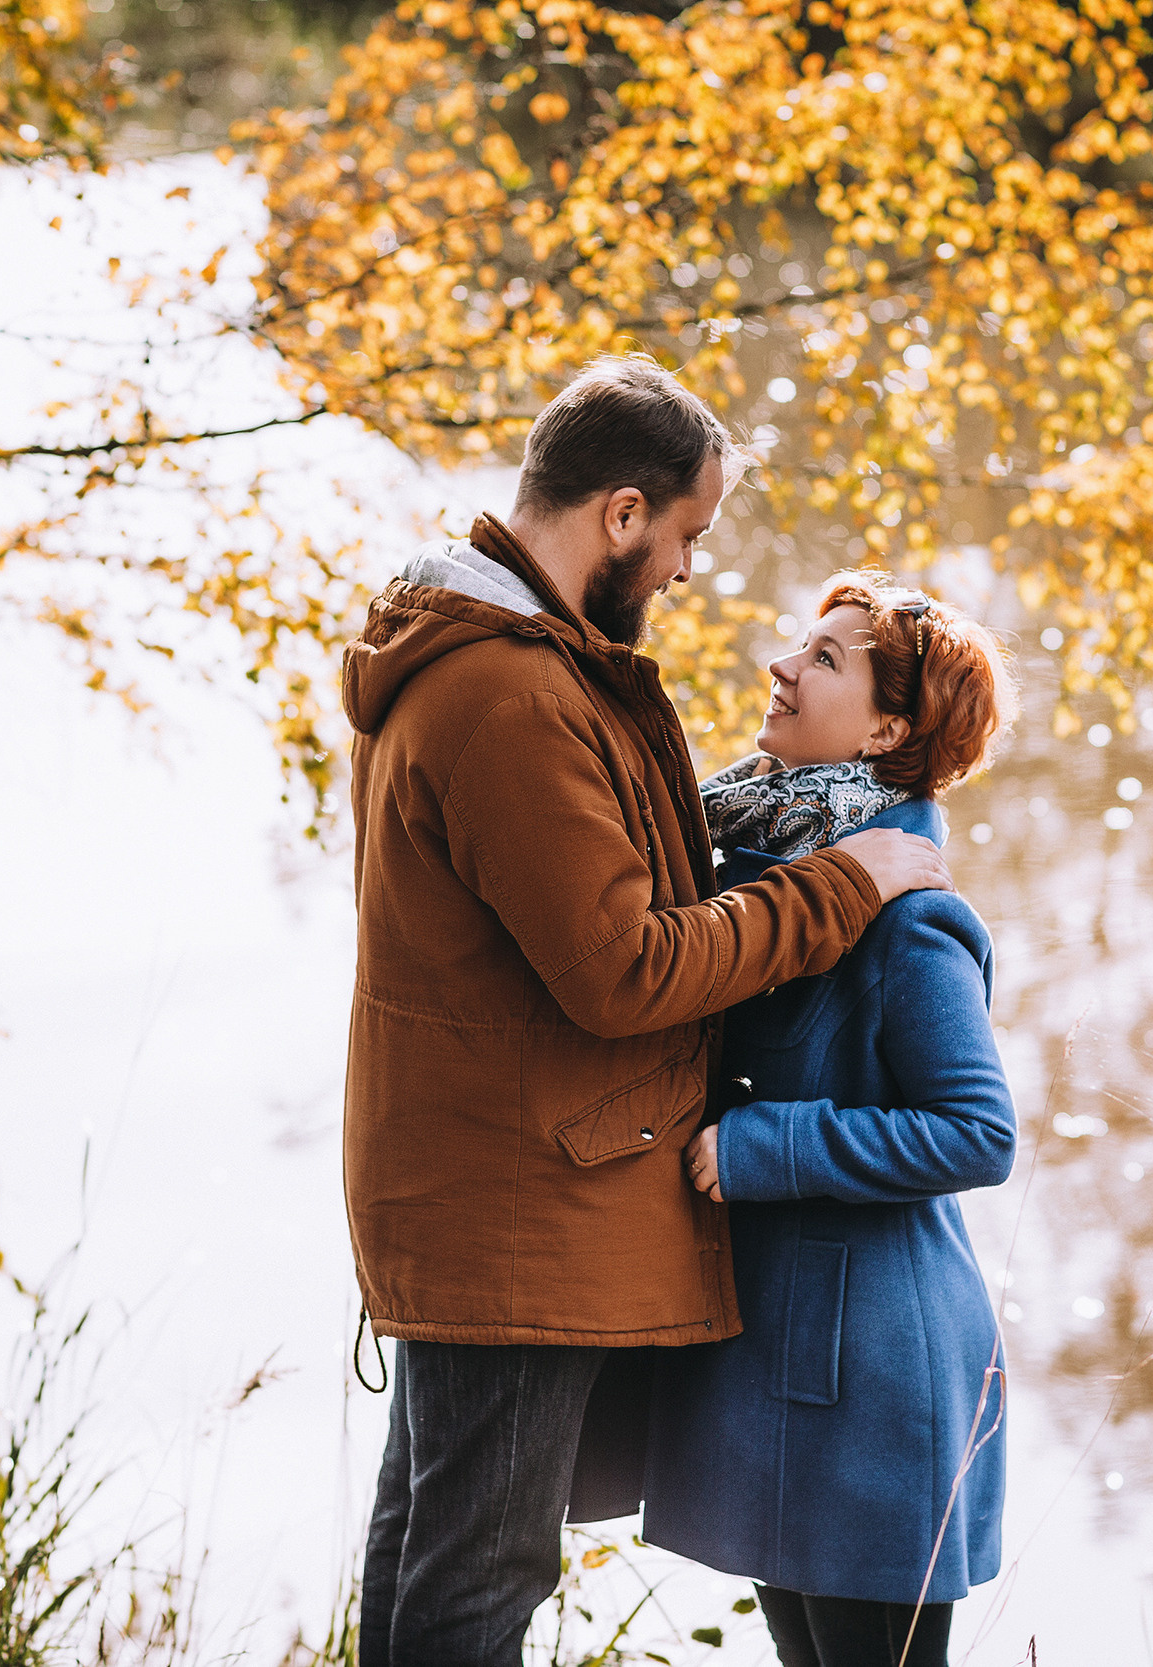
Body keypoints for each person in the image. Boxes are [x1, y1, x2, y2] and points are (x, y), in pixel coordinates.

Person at [340, 357, 956, 1667]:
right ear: (621, 513)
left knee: (431, 1550)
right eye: (685, 533)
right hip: (517, 1203)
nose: (684, 568)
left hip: (494, 1177)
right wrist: (841, 884)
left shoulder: (508, 667)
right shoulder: (512, 696)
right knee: (476, 1568)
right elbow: (623, 968)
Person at [644, 572, 1021, 1667]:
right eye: (800, 645)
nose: (783, 665)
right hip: (776, 1355)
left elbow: (978, 1130)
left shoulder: (908, 915)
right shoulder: (763, 864)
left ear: (890, 729)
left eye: (825, 658)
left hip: (872, 1385)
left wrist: (766, 1146)